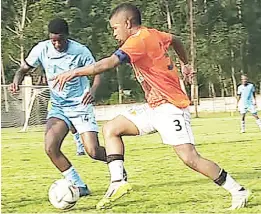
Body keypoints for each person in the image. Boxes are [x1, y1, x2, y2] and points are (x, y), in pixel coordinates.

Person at [52, 4, 250, 210]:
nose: (114, 33)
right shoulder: (153, 34)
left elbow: (107, 64)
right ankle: (118, 182)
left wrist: (73, 73)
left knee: (190, 158)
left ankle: (237, 190)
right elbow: (175, 40)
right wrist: (185, 63)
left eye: (115, 28)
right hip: (155, 107)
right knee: (111, 128)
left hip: (170, 107)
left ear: (128, 23)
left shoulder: (138, 42)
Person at [10, 18, 107, 197]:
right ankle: (79, 185)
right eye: (53, 39)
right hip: (58, 107)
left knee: (93, 151)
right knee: (50, 147)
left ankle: (116, 163)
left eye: (60, 40)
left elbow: (98, 72)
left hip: (80, 105)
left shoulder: (80, 51)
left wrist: (93, 91)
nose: (56, 43)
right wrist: (16, 82)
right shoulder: (41, 49)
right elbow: (23, 69)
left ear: (67, 37)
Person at [38, 72, 86, 155]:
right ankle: (80, 147)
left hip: (72, 106)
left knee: (75, 128)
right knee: (69, 129)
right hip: (55, 107)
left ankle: (81, 146)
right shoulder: (50, 84)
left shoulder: (63, 80)